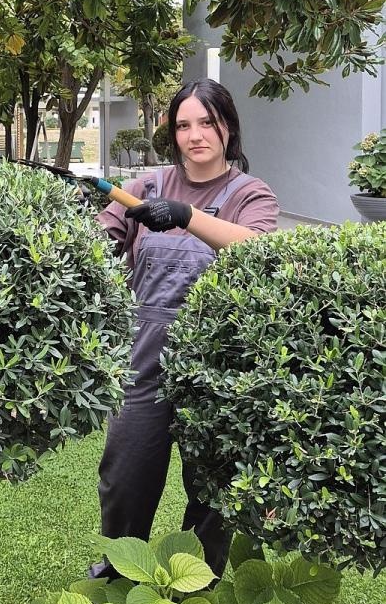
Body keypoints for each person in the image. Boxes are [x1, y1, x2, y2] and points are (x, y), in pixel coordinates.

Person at [93, 79, 278, 577]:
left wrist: (187, 215)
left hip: (216, 363)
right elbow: (96, 246)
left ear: (228, 127)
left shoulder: (249, 193)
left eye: (206, 123)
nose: (195, 135)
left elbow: (257, 249)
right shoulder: (145, 188)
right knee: (125, 475)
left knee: (212, 488)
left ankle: (197, 583)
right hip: (143, 356)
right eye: (183, 125)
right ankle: (119, 571)